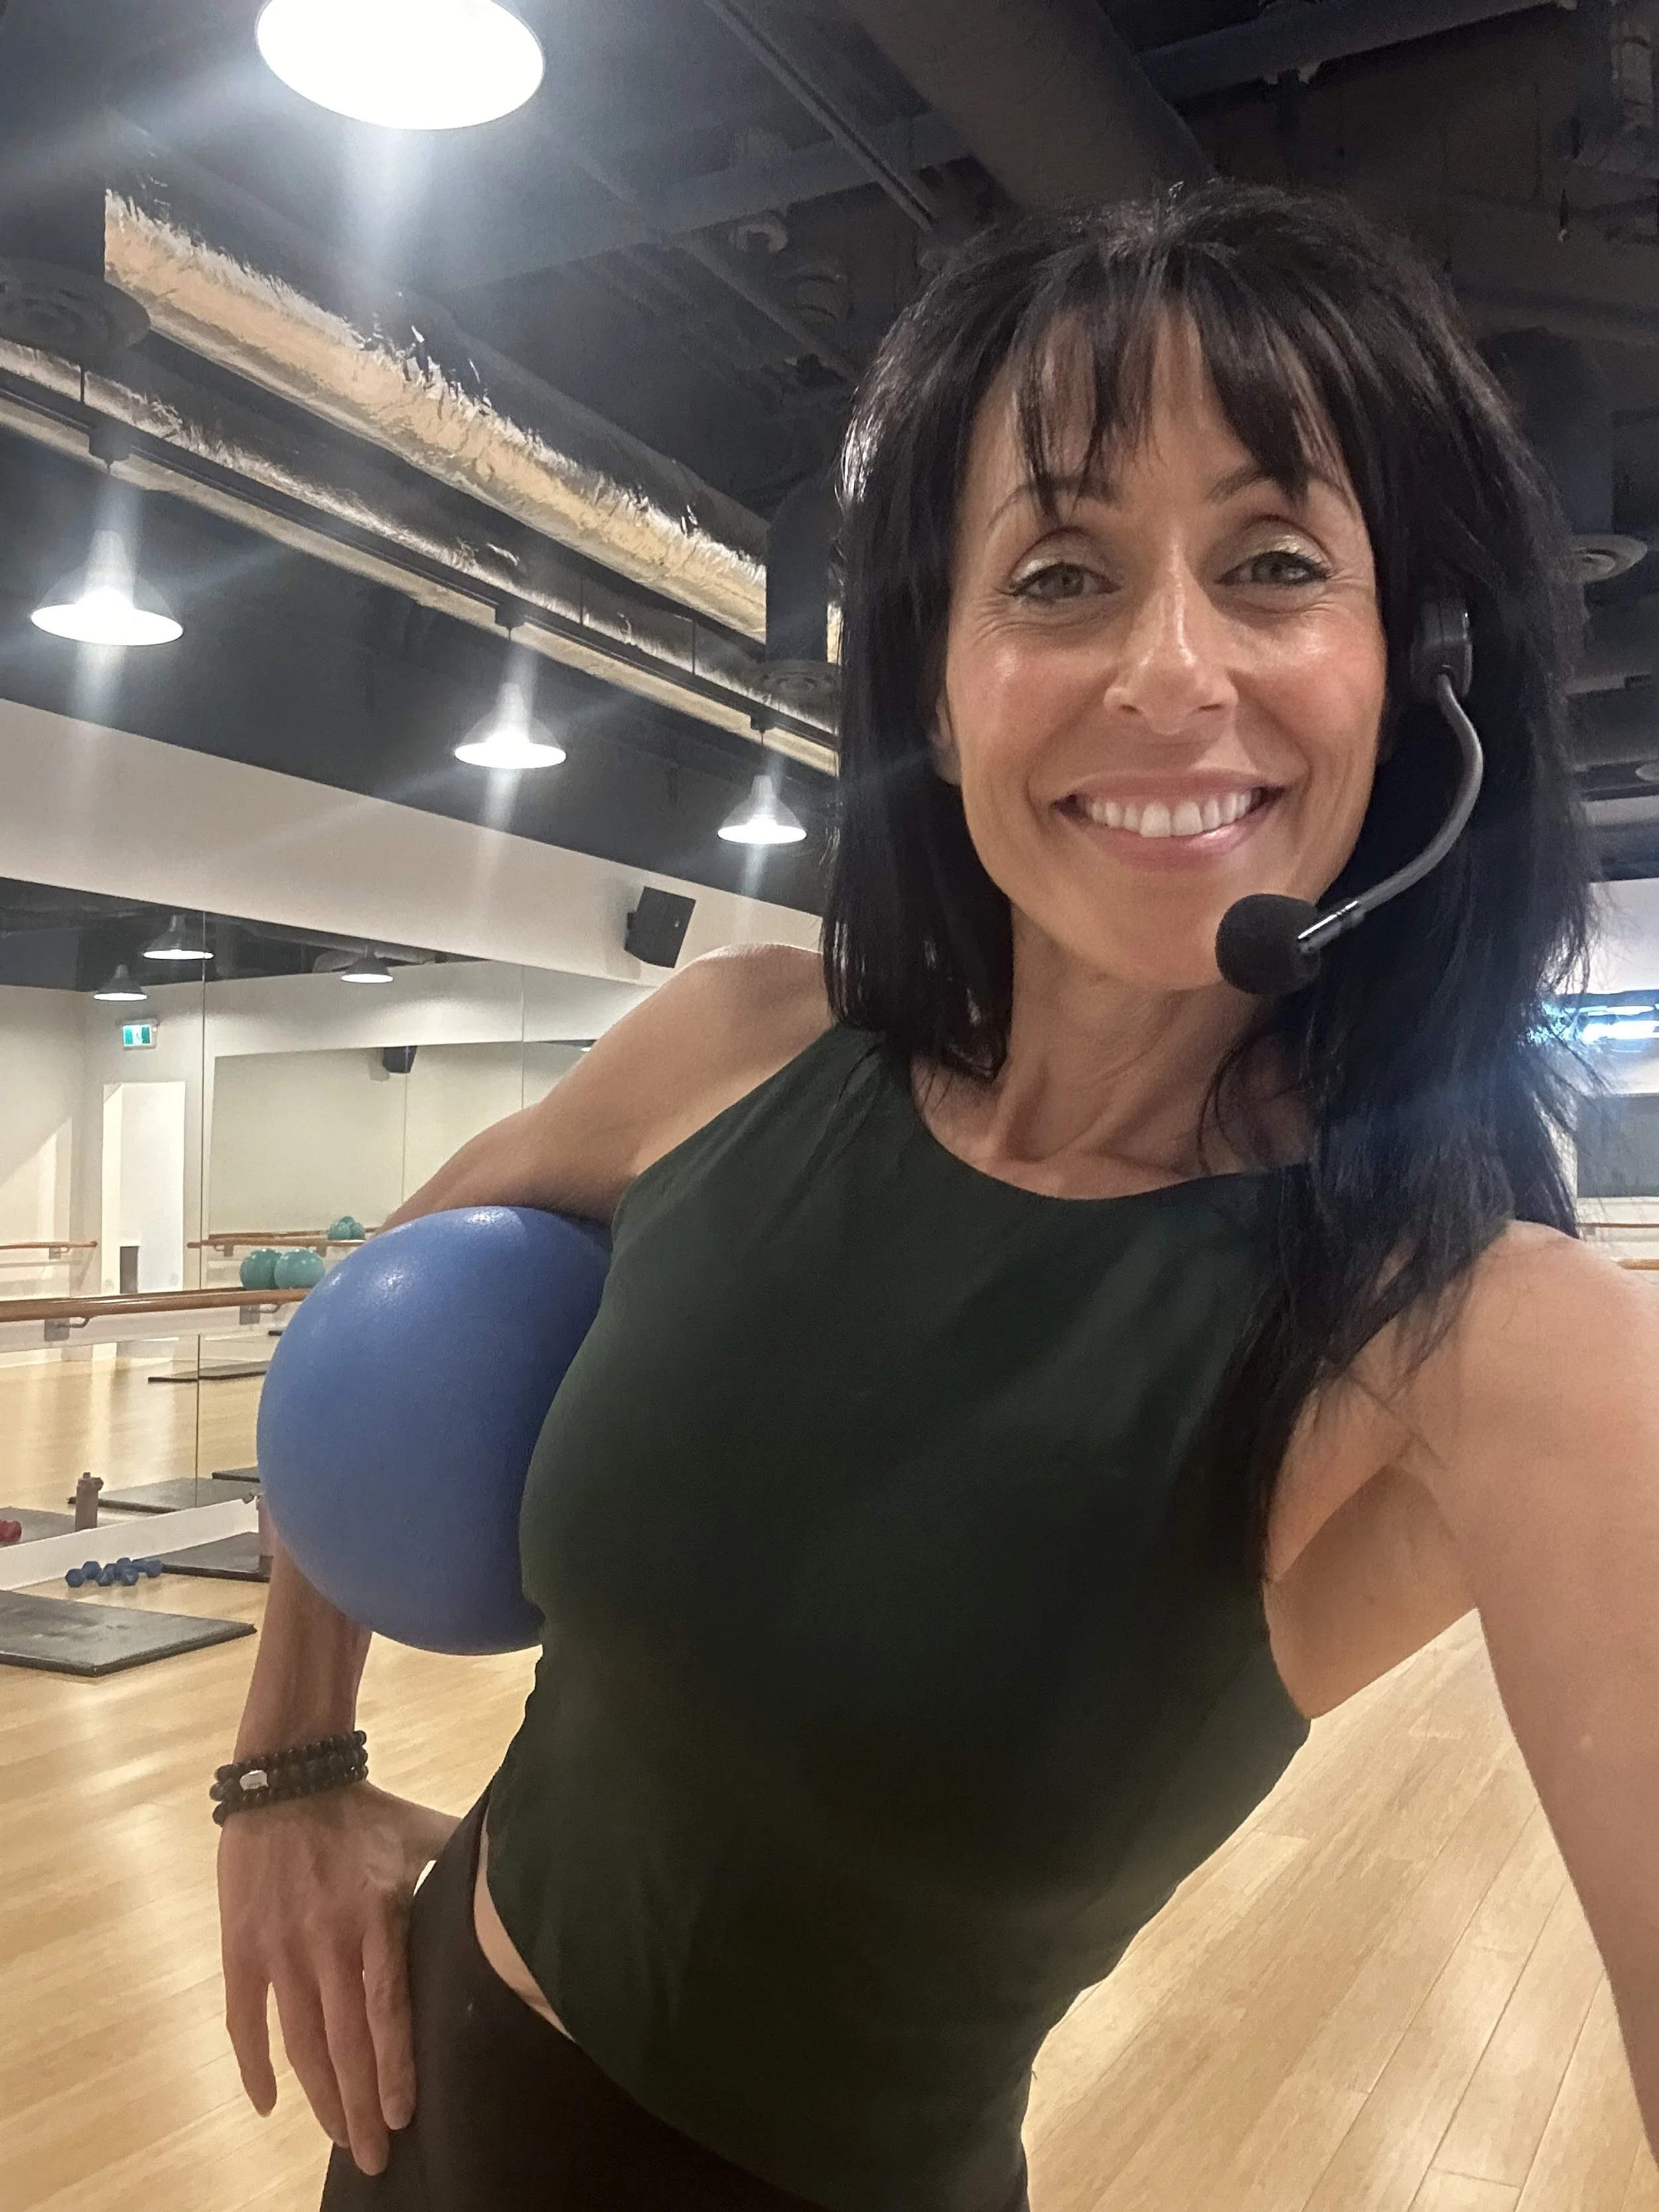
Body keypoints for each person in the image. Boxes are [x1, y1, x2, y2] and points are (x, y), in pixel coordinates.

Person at [216, 182, 1659, 2211]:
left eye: (1269, 563)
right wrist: (288, 1763)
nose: (1168, 671)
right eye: (1059, 573)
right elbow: (363, 1344)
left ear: (1418, 674)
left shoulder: (1487, 1342)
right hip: (414, 2115)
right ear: (937, 675)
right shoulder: (735, 1050)